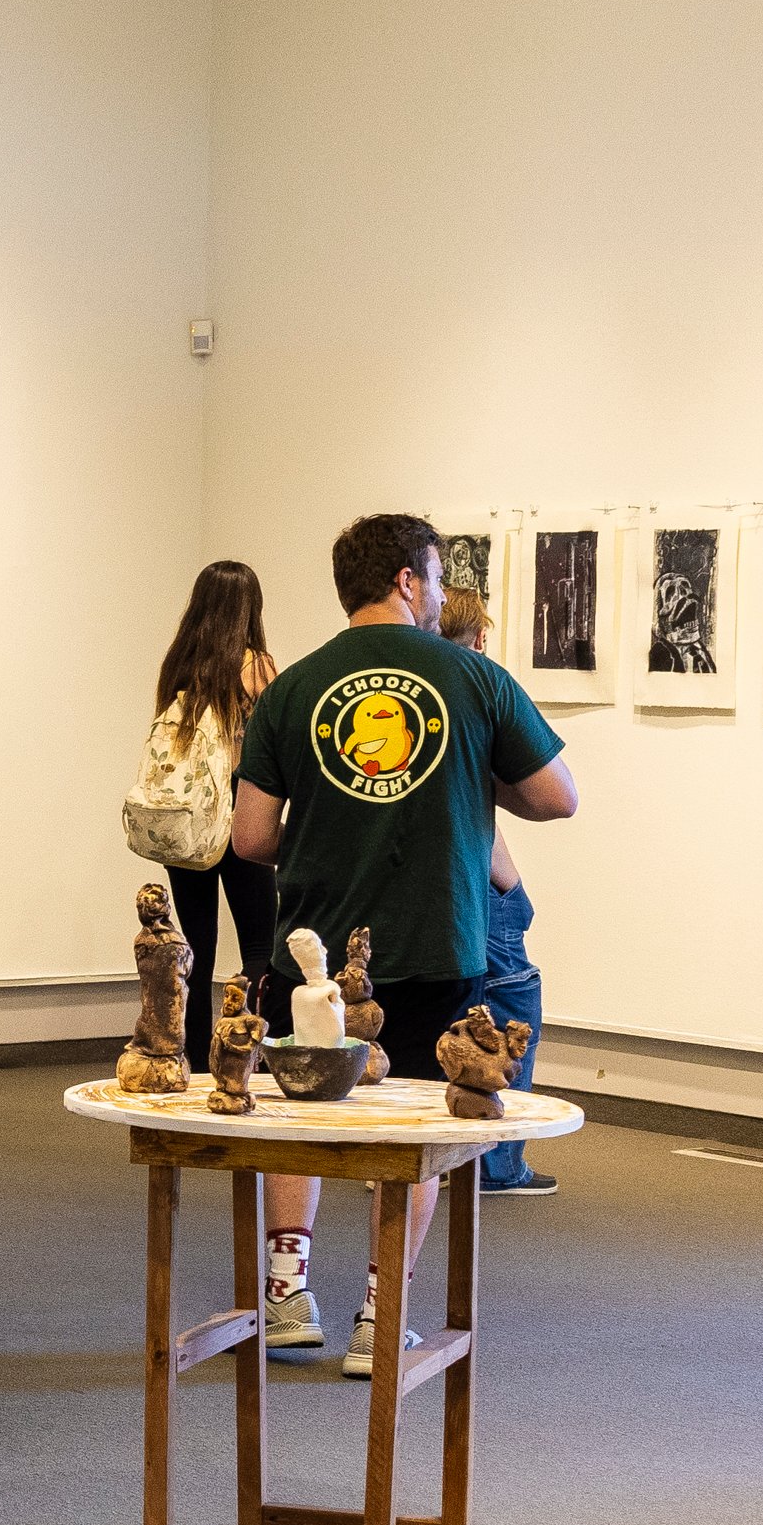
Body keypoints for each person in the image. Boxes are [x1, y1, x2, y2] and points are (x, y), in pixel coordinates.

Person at [232, 514, 579, 1374]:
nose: (434, 593)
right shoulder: (474, 679)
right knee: (419, 1124)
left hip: (309, 954)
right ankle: (380, 1315)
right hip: (435, 938)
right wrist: (468, 778)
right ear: (404, 580)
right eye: (432, 575)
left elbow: (246, 838)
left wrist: (323, 830)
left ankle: (285, 1296)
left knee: (300, 1120)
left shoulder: (291, 689)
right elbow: (556, 797)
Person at [437, 584, 557, 1197]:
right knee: (510, 1013)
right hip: (482, 890)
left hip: (451, 888)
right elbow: (556, 796)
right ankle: (497, 1163)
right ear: (479, 639)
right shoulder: (478, 691)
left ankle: (447, 1156)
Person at [138, 562, 276, 1070]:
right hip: (240, 814)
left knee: (195, 948)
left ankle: (192, 1061)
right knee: (261, 940)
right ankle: (251, 1055)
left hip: (186, 819)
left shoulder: (181, 662)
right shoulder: (256, 665)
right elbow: (270, 745)